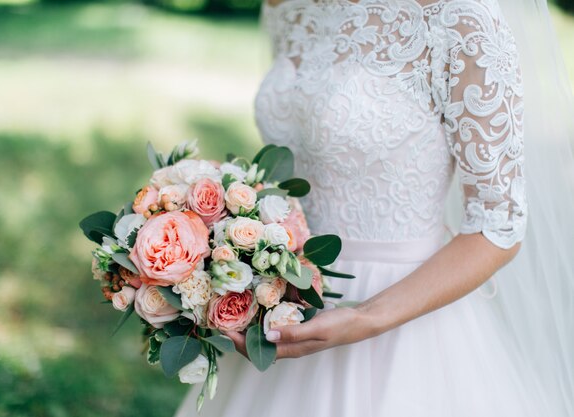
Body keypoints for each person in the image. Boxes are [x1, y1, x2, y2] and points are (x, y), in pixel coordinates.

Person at [175, 0, 574, 415]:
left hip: (406, 321)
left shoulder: (463, 20)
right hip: (289, 299)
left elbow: (499, 226)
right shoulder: (287, 7)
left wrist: (366, 316)